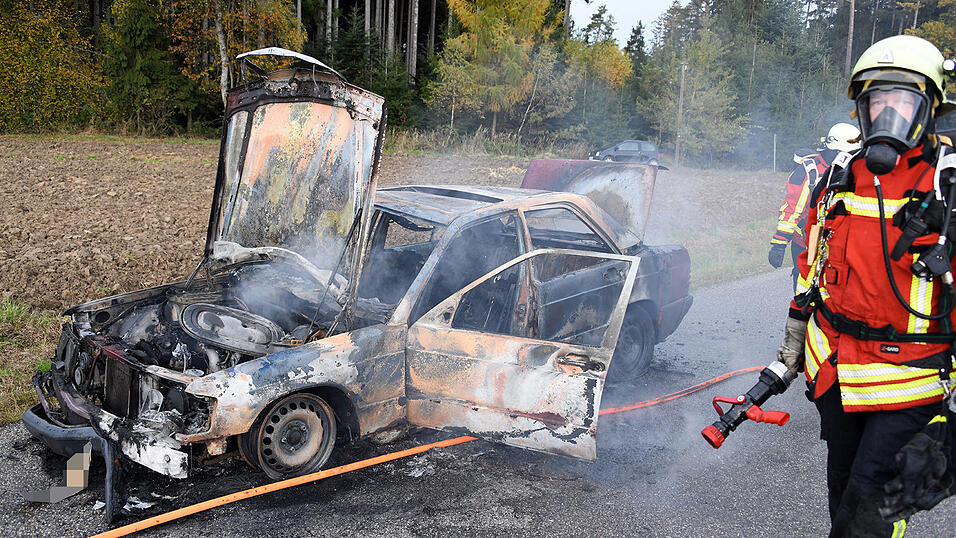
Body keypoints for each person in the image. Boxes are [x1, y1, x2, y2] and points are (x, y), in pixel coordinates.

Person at [776, 35, 956, 537]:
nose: (888, 115)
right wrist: (795, 336)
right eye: (879, 102)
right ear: (862, 108)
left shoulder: (949, 186)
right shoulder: (839, 176)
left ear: (929, 110)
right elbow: (814, 260)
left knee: (865, 516)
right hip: (837, 375)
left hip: (910, 383)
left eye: (903, 102)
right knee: (842, 497)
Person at [769, 123, 861, 291]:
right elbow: (792, 208)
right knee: (805, 290)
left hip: (840, 247)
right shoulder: (809, 171)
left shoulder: (855, 170)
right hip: (807, 244)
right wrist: (779, 244)